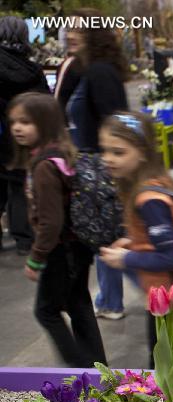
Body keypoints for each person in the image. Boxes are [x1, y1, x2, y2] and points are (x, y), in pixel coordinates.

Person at [97, 112, 173, 370]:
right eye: (105, 151)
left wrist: (127, 258)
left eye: (118, 152)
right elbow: (164, 240)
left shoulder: (150, 199)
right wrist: (133, 243)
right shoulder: (155, 185)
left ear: (142, 153)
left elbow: (169, 256)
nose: (108, 159)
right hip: (169, 295)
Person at [9, 92, 105, 367]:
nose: (17, 128)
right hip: (77, 246)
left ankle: (79, 368)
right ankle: (97, 370)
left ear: (46, 123)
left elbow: (51, 222)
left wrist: (36, 258)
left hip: (60, 250)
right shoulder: (61, 155)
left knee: (46, 311)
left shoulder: (44, 167)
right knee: (79, 306)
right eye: (14, 121)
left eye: (26, 122)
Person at [65, 8, 129, 321]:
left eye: (77, 28)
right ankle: (108, 299)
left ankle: (112, 300)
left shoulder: (99, 72)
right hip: (95, 166)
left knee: (106, 235)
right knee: (108, 234)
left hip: (100, 168)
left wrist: (116, 164)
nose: (69, 33)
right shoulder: (89, 69)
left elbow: (116, 120)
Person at [0, 16, 49, 255]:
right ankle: (23, 240)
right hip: (21, 137)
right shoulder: (33, 69)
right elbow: (45, 102)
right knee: (19, 186)